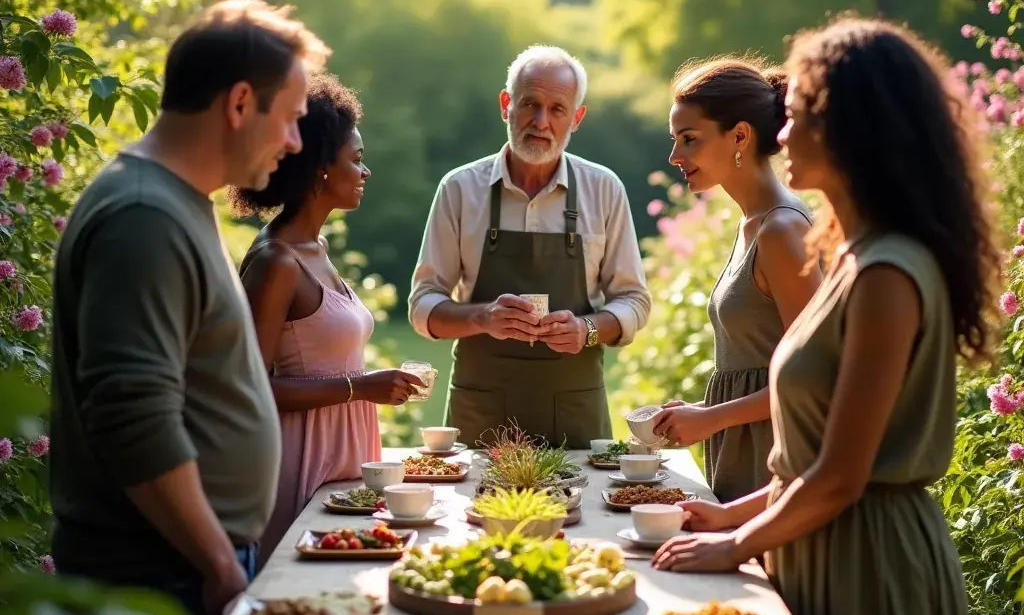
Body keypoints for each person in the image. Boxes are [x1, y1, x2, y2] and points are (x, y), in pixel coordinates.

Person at [654, 17, 999, 615]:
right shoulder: (854, 257)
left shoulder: (887, 272)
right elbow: (813, 458)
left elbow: (844, 475)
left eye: (801, 110)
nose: (784, 128)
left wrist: (733, 548)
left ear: (852, 128)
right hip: (822, 547)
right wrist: (732, 514)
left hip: (872, 563)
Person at [49, 0, 329, 615]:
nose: (298, 143)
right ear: (240, 103)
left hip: (181, 564)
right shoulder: (143, 218)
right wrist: (216, 563)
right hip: (156, 576)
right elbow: (133, 416)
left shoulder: (180, 204)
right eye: (291, 116)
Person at [408, 45, 651, 448]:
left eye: (557, 109)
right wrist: (483, 317)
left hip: (575, 415)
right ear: (506, 105)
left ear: (577, 118)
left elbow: (633, 301)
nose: (541, 122)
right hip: (480, 416)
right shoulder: (460, 189)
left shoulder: (603, 189)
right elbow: (423, 307)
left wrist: (587, 329)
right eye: (529, 104)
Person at [230, 73, 422, 565]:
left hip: (345, 457)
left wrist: (374, 384)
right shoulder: (276, 263)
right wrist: (363, 387)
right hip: (302, 466)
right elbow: (249, 391)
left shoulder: (316, 248)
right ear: (319, 168)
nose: (366, 171)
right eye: (355, 159)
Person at [652, 60, 822, 502]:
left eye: (689, 140)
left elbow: (816, 376)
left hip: (774, 461)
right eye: (675, 140)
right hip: (741, 451)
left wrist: (711, 418)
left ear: (740, 136)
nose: (675, 157)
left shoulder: (782, 231)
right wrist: (701, 412)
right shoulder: (753, 223)